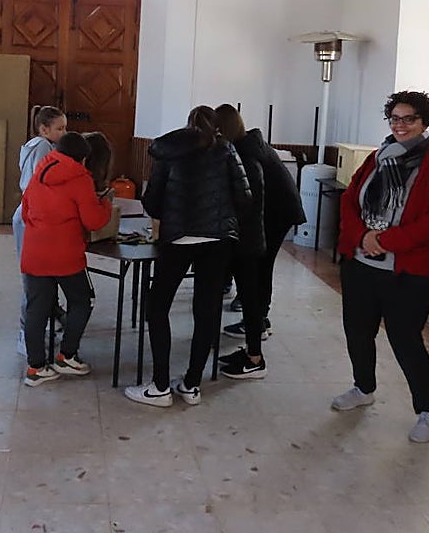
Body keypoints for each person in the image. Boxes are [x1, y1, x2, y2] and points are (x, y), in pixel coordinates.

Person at [331, 91, 429, 444]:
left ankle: (427, 413)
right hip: (362, 262)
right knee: (358, 331)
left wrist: (385, 241)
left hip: (409, 271)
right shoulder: (376, 158)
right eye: (395, 119)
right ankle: (363, 388)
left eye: (409, 119)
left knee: (405, 339)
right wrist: (363, 236)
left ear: (424, 122)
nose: (401, 125)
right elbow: (349, 200)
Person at [125, 106, 251, 407]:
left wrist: (169, 214)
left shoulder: (170, 152)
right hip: (218, 240)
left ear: (187, 126)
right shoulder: (227, 150)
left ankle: (160, 386)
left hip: (178, 238)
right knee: (206, 311)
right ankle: (192, 385)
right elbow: (245, 197)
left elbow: (152, 201)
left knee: (158, 307)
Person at [214, 104, 306, 380]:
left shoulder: (246, 152)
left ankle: (257, 330)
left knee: (258, 271)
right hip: (274, 213)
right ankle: (257, 323)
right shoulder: (250, 144)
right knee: (258, 272)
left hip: (275, 215)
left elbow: (250, 199)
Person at [19, 132, 113, 386]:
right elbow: (93, 221)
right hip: (65, 255)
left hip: (34, 252)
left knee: (37, 309)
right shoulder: (80, 179)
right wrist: (106, 205)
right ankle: (67, 356)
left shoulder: (40, 172)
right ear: (83, 158)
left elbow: (26, 211)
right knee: (82, 301)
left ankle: (35, 368)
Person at [12, 106, 68, 355]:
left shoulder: (34, 145)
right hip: (31, 216)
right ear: (44, 129)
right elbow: (42, 181)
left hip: (29, 214)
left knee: (39, 279)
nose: (64, 133)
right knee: (32, 281)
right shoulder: (44, 147)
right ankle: (26, 335)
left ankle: (45, 323)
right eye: (60, 129)